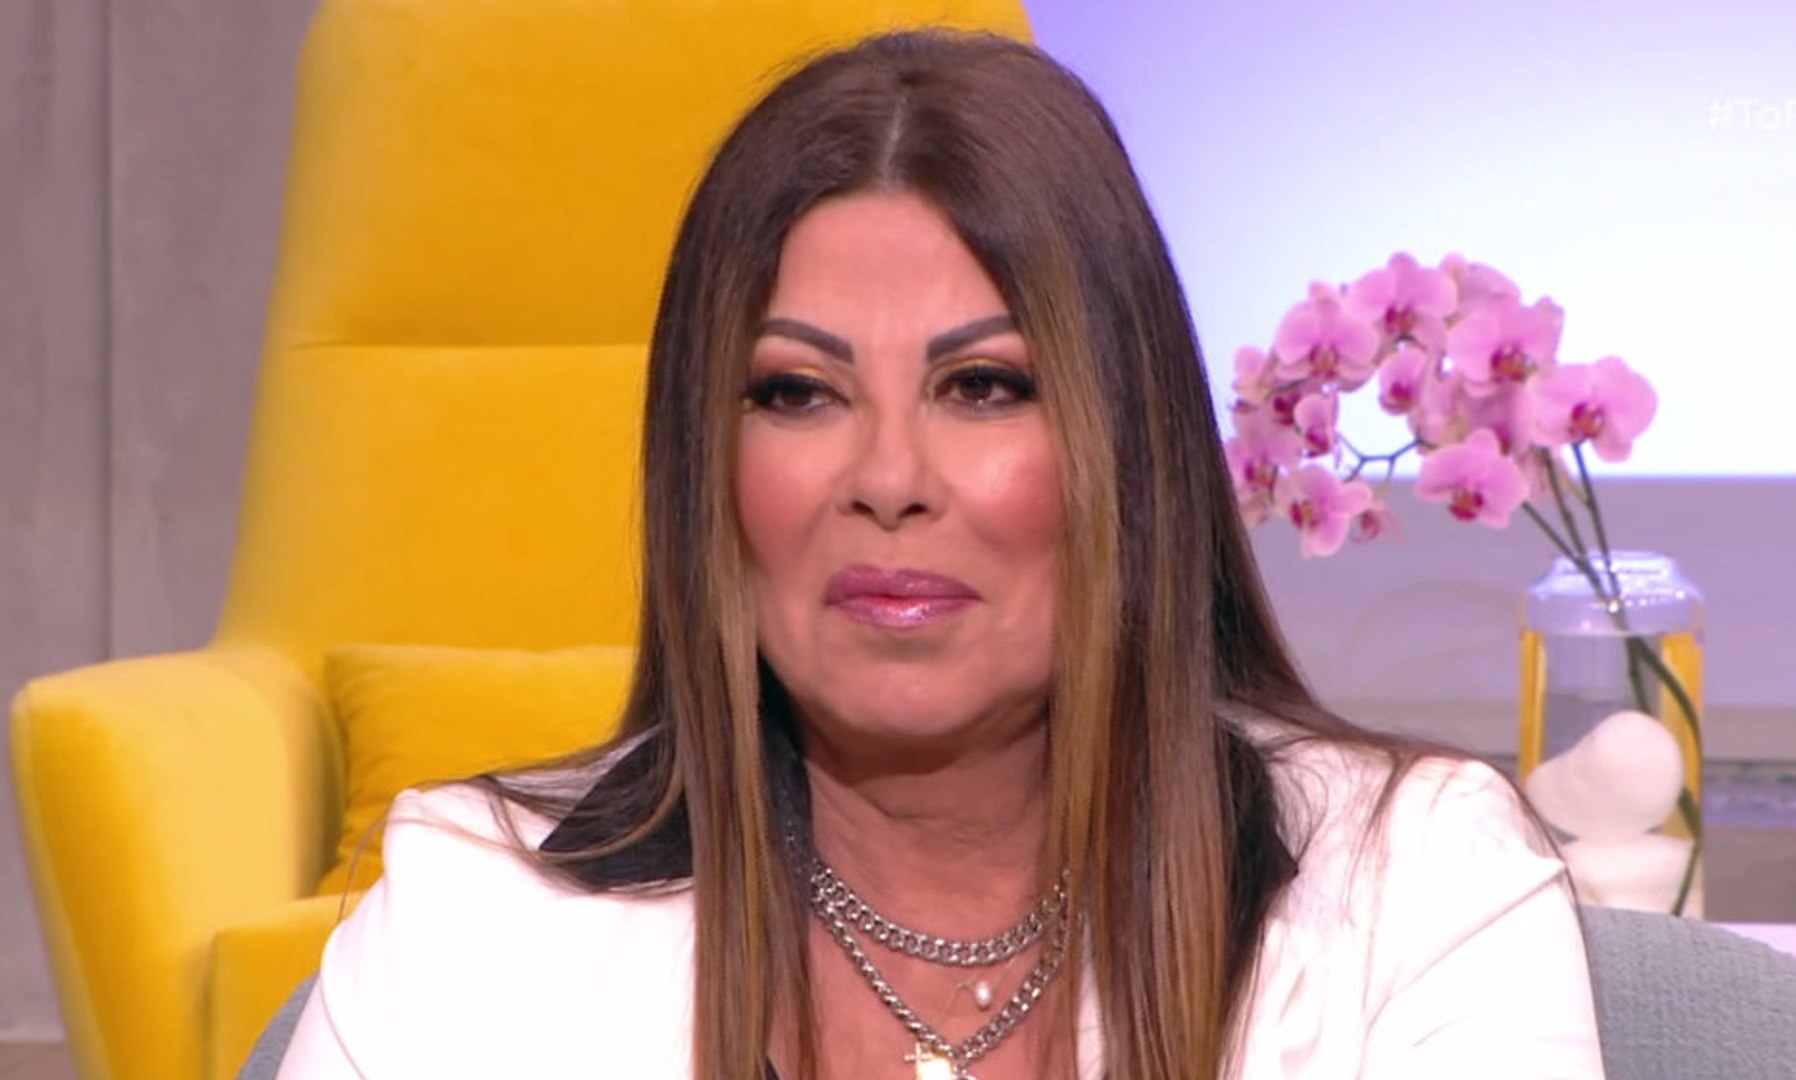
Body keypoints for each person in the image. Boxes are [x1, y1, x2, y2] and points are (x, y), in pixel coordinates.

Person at [275, 29, 1604, 1080]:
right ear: (707, 467)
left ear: (1127, 445)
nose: (889, 481)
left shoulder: (1414, 888)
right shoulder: (473, 916)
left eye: (983, 387)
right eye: (798, 393)